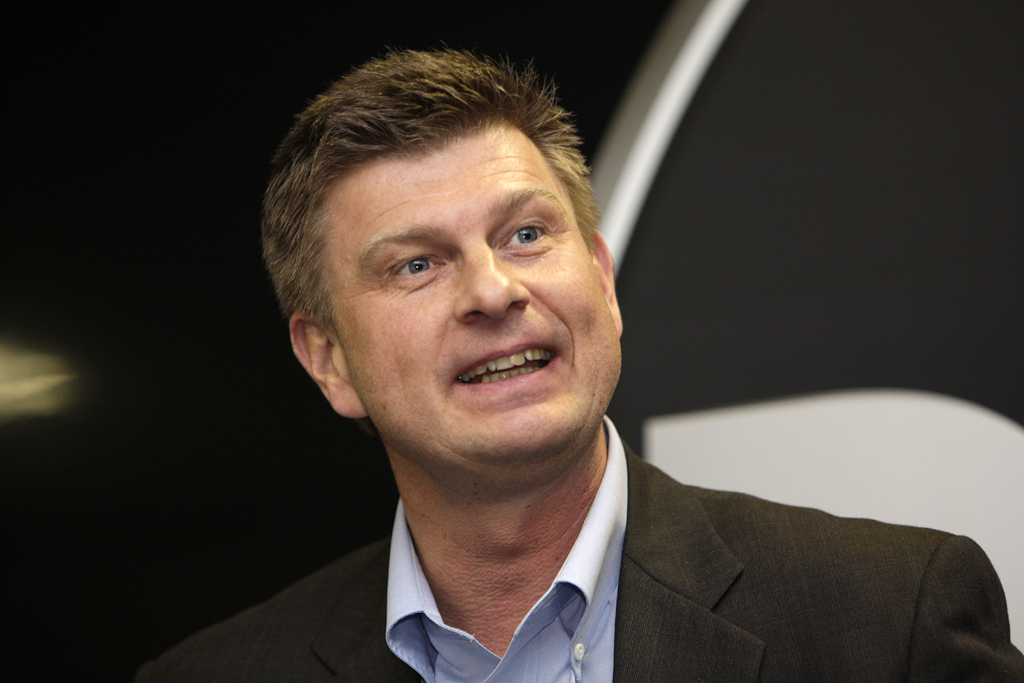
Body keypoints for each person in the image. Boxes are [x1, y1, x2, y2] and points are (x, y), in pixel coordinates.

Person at [135, 48, 1024, 682]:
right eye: (417, 264)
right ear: (327, 359)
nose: (493, 290)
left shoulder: (892, 620)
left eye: (526, 233)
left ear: (601, 277)